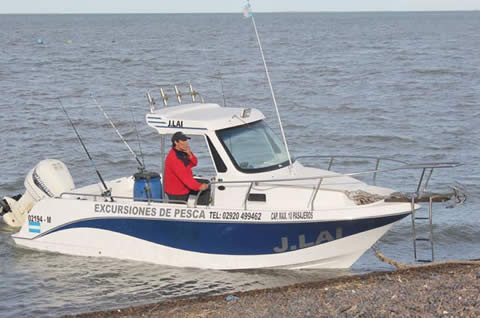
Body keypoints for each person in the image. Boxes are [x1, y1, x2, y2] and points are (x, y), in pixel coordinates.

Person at [164, 131, 209, 203]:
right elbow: (185, 177)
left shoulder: (183, 152)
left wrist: (189, 154)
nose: (186, 143)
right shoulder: (173, 158)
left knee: (206, 184)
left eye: (186, 140)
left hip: (184, 186)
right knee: (202, 187)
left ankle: (201, 209)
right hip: (176, 191)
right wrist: (198, 186)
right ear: (176, 142)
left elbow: (194, 163)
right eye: (183, 141)